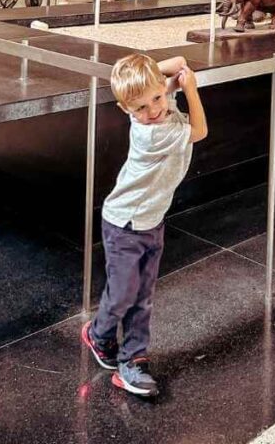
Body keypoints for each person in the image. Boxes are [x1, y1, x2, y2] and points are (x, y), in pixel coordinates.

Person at [81, 53, 207, 397]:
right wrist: (188, 86)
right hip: (124, 224)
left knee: (143, 295)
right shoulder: (154, 133)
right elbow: (200, 130)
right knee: (123, 293)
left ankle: (133, 360)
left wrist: (163, 81)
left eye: (157, 98)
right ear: (126, 111)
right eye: (140, 107)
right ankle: (98, 333)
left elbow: (180, 59)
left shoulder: (160, 104)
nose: (152, 110)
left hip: (152, 220)